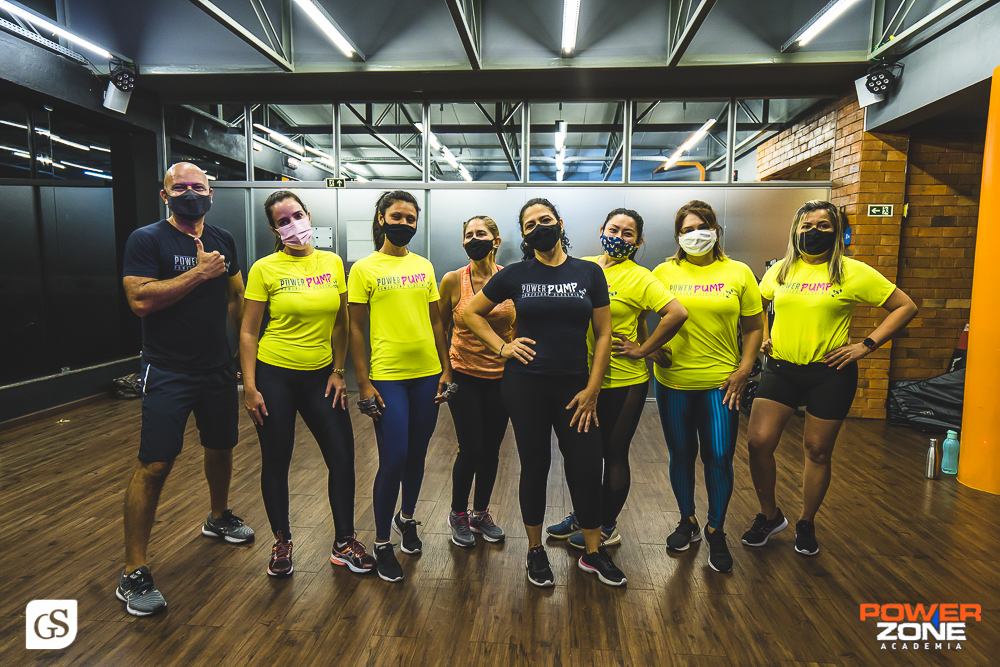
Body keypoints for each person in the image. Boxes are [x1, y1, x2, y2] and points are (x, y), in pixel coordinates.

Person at [464, 198, 626, 588]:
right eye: (530, 224)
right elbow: (470, 313)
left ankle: (592, 552)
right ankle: (535, 550)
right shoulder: (515, 274)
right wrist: (502, 347)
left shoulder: (589, 272)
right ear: (522, 234)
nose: (540, 227)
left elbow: (603, 333)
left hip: (576, 387)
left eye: (546, 220)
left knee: (586, 467)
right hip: (525, 385)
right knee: (534, 466)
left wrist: (593, 389)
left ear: (560, 223)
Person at [117, 162, 254, 616]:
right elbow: (139, 300)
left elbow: (236, 294)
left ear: (211, 194)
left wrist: (240, 355)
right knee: (154, 465)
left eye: (198, 187)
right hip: (168, 369)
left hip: (216, 368)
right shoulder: (148, 239)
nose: (190, 194)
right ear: (165, 195)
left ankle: (218, 517)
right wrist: (197, 274)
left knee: (221, 446)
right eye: (181, 188)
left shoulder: (223, 239)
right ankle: (133, 572)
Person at [743, 200, 917, 556]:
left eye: (823, 225)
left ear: (837, 231)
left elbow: (905, 307)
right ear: (795, 231)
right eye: (806, 226)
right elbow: (758, 304)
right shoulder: (779, 270)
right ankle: (769, 514)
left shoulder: (853, 271)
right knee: (758, 443)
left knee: (818, 451)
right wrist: (764, 334)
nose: (814, 231)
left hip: (830, 372)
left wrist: (866, 345)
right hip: (781, 368)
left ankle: (806, 522)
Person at [240, 191, 374, 578]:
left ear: (308, 215)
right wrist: (249, 386)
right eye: (283, 221)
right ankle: (282, 541)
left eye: (296, 216)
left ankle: (344, 543)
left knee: (342, 457)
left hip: (321, 376)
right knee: (276, 462)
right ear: (274, 229)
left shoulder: (332, 262)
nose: (293, 225)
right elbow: (249, 332)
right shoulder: (264, 268)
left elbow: (340, 322)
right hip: (274, 374)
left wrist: (337, 369)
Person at [547, 208, 688, 551]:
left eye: (628, 234)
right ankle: (583, 516)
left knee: (613, 452)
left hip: (624, 381)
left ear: (638, 242)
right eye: (614, 229)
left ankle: (607, 525)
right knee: (580, 454)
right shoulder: (584, 267)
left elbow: (676, 313)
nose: (619, 238)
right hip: (580, 377)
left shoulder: (641, 278)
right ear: (601, 230)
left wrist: (643, 349)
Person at [651, 200, 764, 573]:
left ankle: (716, 528)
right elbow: (640, 315)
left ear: (715, 230)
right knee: (681, 454)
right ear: (677, 235)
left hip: (722, 385)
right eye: (686, 229)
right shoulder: (663, 271)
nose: (694, 234)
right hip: (674, 382)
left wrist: (745, 368)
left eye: (701, 226)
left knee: (718, 457)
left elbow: (753, 327)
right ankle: (688, 520)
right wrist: (653, 350)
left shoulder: (739, 272)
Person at [348, 191, 452, 583]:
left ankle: (406, 518)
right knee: (394, 456)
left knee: (418, 452)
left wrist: (447, 369)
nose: (404, 223)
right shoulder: (363, 268)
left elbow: (438, 323)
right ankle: (379, 543)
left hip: (427, 372)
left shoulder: (424, 265)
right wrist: (364, 382)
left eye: (411, 218)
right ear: (381, 218)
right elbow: (356, 328)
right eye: (397, 216)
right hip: (387, 375)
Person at [438, 215, 516, 548]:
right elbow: (441, 328)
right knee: (471, 448)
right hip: (464, 376)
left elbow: (518, 327)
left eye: (480, 234)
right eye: (468, 235)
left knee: (492, 451)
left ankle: (480, 513)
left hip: (502, 377)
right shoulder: (454, 280)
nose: (474, 239)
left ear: (496, 241)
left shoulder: (510, 279)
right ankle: (458, 513)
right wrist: (444, 370)